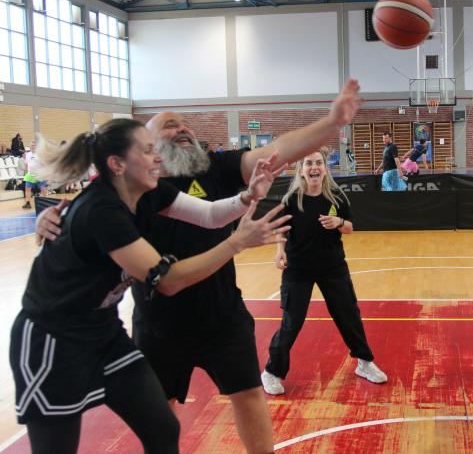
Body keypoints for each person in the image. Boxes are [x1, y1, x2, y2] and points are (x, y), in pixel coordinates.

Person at [36, 78, 364, 453]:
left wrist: (332, 123)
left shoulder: (201, 172)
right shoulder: (120, 197)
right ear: (143, 148)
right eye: (169, 125)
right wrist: (53, 221)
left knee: (247, 396)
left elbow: (267, 161)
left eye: (185, 124)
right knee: (157, 419)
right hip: (148, 324)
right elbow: (163, 276)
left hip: (221, 314)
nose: (183, 129)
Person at [12, 118, 291, 454]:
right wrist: (236, 243)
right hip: (53, 339)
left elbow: (211, 215)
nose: (158, 156)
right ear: (117, 164)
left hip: (104, 333)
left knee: (162, 427)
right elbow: (169, 280)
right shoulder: (101, 211)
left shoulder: (148, 192)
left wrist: (248, 196)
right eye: (147, 150)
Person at [261, 148, 387, 395]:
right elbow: (280, 229)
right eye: (309, 163)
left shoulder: (336, 197)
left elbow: (350, 227)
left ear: (325, 168)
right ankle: (271, 372)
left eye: (318, 163)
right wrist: (279, 251)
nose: (314, 167)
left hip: (332, 267)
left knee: (348, 315)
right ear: (301, 170)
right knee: (291, 322)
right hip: (298, 269)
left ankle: (364, 362)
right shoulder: (291, 199)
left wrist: (339, 223)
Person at [22, 141, 48, 209]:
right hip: (30, 175)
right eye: (32, 145)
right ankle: (28, 203)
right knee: (27, 189)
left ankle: (46, 202)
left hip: (39, 174)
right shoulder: (27, 154)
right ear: (30, 147)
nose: (33, 146)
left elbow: (44, 164)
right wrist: (26, 173)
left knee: (43, 189)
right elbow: (27, 164)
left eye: (34, 145)